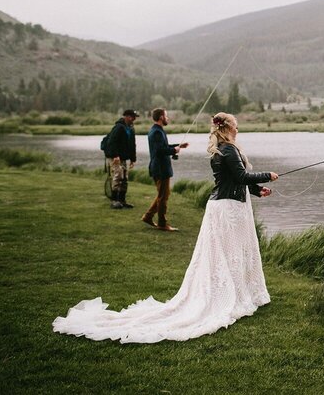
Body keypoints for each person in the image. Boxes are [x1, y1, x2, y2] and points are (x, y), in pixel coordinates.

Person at [52, 112, 278, 343]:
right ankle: (229, 296)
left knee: (231, 254)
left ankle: (238, 292)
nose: (238, 129)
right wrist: (267, 176)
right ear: (227, 128)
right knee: (228, 254)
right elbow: (240, 176)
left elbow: (231, 179)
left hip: (228, 206)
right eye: (236, 126)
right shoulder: (228, 149)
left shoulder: (224, 148)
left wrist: (258, 190)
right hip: (228, 208)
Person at [142, 108, 188, 231]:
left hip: (160, 168)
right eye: (166, 116)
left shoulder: (157, 130)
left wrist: (178, 146)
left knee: (163, 195)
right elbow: (159, 151)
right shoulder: (156, 132)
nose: (167, 118)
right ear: (161, 117)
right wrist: (174, 150)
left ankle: (148, 216)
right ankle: (162, 223)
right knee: (163, 197)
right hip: (160, 168)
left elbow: (163, 147)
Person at [106, 109, 138, 210]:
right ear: (127, 116)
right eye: (132, 117)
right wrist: (115, 156)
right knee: (118, 176)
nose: (134, 119)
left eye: (134, 117)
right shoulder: (118, 127)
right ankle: (114, 200)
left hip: (123, 158)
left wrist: (133, 159)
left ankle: (122, 200)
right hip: (115, 157)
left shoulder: (131, 128)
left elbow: (133, 145)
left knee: (125, 178)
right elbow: (112, 142)